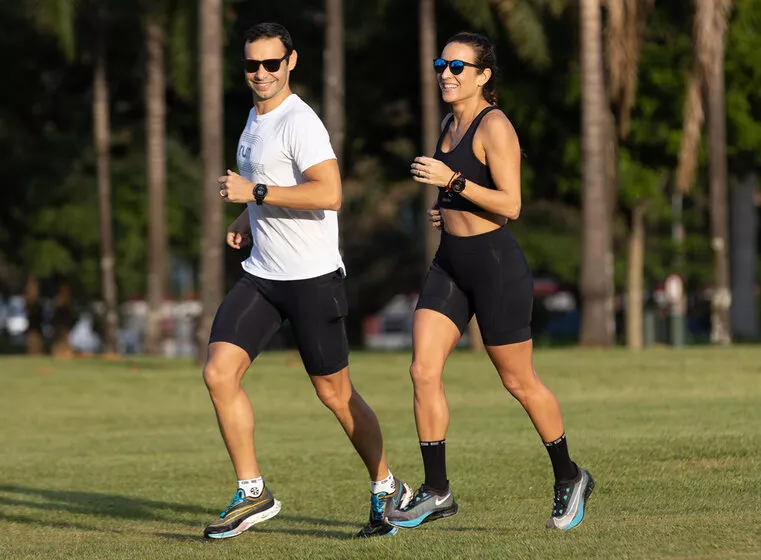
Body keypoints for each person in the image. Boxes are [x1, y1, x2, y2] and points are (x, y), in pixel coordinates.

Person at [202, 22, 409, 540]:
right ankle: (253, 493)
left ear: (290, 62)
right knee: (218, 373)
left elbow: (329, 193)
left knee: (335, 394)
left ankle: (387, 487)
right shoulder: (253, 117)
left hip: (312, 280)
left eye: (272, 64)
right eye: (253, 65)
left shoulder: (301, 122)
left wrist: (256, 192)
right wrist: (244, 220)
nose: (262, 73)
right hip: (262, 278)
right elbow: (267, 192)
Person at [385, 32, 594, 532]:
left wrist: (451, 184)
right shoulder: (448, 123)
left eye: (460, 67)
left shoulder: (493, 125)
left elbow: (511, 204)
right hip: (450, 264)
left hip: (495, 266)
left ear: (483, 76)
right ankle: (437, 491)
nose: (447, 74)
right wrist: (445, 209)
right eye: (443, 64)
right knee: (422, 371)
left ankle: (570, 476)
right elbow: (460, 195)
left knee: (518, 381)